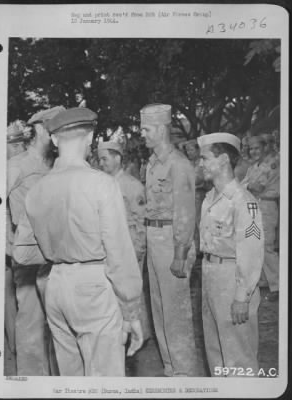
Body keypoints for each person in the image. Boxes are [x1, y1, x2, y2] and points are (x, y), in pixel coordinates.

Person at [13, 107, 143, 376]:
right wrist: (131, 312)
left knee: (70, 381)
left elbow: (22, 255)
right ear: (90, 138)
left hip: (56, 286)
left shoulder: (37, 190)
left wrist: (57, 249)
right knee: (105, 383)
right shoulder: (102, 184)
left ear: (56, 140)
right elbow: (119, 254)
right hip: (94, 287)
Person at [197, 132, 264, 377]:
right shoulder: (209, 199)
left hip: (231, 279)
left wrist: (241, 297)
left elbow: (252, 252)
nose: (200, 164)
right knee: (215, 353)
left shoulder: (244, 201)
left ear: (223, 159)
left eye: (204, 158)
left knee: (238, 358)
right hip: (210, 274)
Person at [140, 103, 199, 377]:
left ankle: (185, 373)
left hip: (171, 240)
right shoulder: (152, 163)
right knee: (159, 308)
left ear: (162, 129)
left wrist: (180, 253)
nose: (142, 134)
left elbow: (185, 213)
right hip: (154, 237)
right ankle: (170, 368)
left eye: (147, 128)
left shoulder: (179, 164)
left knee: (176, 312)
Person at [7, 106, 64, 375]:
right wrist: (9, 242)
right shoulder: (17, 165)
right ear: (41, 129)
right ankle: (30, 383)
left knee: (58, 323)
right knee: (30, 320)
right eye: (54, 128)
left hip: (56, 254)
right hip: (28, 255)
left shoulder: (56, 165)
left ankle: (57, 383)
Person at [98, 140, 152, 340]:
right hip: (110, 248)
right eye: (99, 159)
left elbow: (141, 220)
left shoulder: (132, 185)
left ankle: (138, 337)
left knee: (132, 293)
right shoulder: (101, 184)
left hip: (129, 247)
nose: (101, 163)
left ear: (117, 158)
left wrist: (138, 249)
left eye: (105, 158)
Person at [241, 135, 280, 302]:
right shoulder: (253, 167)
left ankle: (278, 285)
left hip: (266, 205)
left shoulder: (271, 164)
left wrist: (246, 185)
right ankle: (265, 280)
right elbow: (244, 184)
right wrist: (246, 185)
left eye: (257, 148)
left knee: (267, 246)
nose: (254, 151)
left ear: (265, 147)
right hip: (254, 205)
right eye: (251, 149)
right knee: (256, 243)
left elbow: (256, 186)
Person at [5, 121, 28, 369]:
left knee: (20, 300)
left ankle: (19, 349)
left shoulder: (18, 165)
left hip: (20, 244)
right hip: (15, 244)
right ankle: (16, 348)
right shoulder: (14, 167)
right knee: (13, 299)